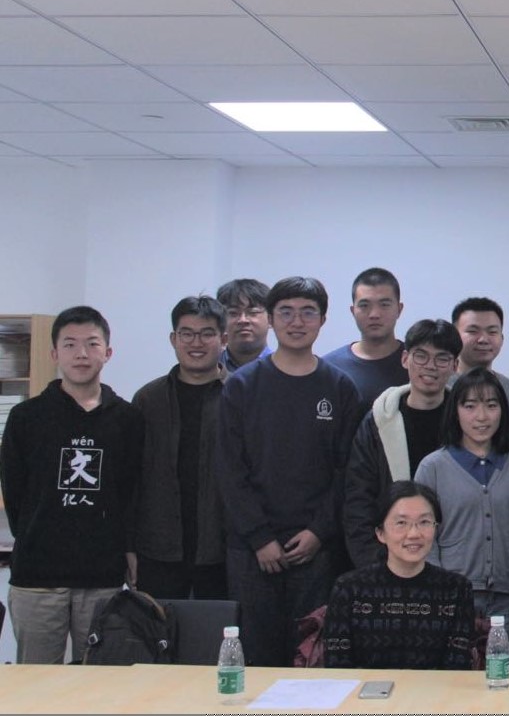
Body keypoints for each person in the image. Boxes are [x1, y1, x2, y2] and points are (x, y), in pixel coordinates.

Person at [217, 276, 362, 667]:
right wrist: (260, 537)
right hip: (252, 551)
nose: (297, 322)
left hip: (315, 550)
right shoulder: (241, 386)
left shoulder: (340, 388)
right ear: (271, 318)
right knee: (255, 659)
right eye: (286, 312)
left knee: (311, 657)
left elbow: (346, 472)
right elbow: (230, 470)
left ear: (323, 320)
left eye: (307, 313)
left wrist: (318, 532)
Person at [2, 306, 143, 664]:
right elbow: (15, 493)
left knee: (100, 677)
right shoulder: (26, 417)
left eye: (92, 344)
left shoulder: (128, 419)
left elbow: (131, 493)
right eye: (70, 344)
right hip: (37, 576)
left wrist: (128, 550)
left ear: (108, 352)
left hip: (102, 576)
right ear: (54, 354)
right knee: (36, 680)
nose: (82, 354)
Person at [416, 367, 509, 656]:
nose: (481, 417)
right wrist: (436, 589)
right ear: (455, 411)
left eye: (491, 405)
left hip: (507, 598)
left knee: (505, 676)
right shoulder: (433, 467)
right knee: (454, 678)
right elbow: (424, 536)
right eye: (470, 406)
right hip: (452, 596)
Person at [342, 318, 461, 568]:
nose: (430, 366)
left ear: (455, 366)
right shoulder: (378, 421)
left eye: (442, 358)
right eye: (421, 356)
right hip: (388, 560)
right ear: (405, 359)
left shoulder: (465, 422)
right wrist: (375, 565)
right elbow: (358, 498)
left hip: (456, 559)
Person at [131, 295, 228, 600]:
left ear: (224, 340)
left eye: (207, 333)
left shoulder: (240, 396)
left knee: (222, 629)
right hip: (158, 547)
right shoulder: (148, 399)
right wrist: (128, 546)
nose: (196, 343)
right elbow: (131, 478)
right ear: (174, 339)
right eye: (187, 333)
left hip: (223, 548)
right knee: (157, 627)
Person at [322, 481, 476, 670]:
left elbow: (457, 669)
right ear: (380, 533)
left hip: (434, 689)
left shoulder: (457, 589)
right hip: (365, 689)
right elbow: (338, 668)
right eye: (401, 523)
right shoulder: (349, 589)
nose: (414, 534)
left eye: (424, 522)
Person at [322, 267, 408, 407]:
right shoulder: (330, 368)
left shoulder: (416, 364)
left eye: (384, 305)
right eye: (364, 305)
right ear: (353, 311)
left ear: (399, 309)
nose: (374, 314)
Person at [450, 296, 509, 418]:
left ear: (502, 339)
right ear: (455, 336)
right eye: (473, 331)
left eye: (492, 332)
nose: (483, 339)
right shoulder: (440, 386)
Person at [216, 277, 270, 373]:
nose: (243, 320)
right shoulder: (208, 368)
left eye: (253, 313)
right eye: (233, 313)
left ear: (271, 319)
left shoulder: (286, 368)